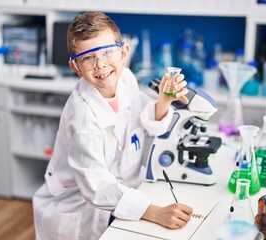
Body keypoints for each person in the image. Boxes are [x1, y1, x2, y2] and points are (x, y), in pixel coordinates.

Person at [32, 12, 193, 239]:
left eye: (108, 52)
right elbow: (97, 186)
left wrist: (164, 100)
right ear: (75, 66)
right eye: (88, 57)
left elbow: (144, 121)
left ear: (124, 52)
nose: (100, 65)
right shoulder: (83, 117)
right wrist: (154, 212)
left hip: (120, 197)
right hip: (77, 209)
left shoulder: (125, 78)